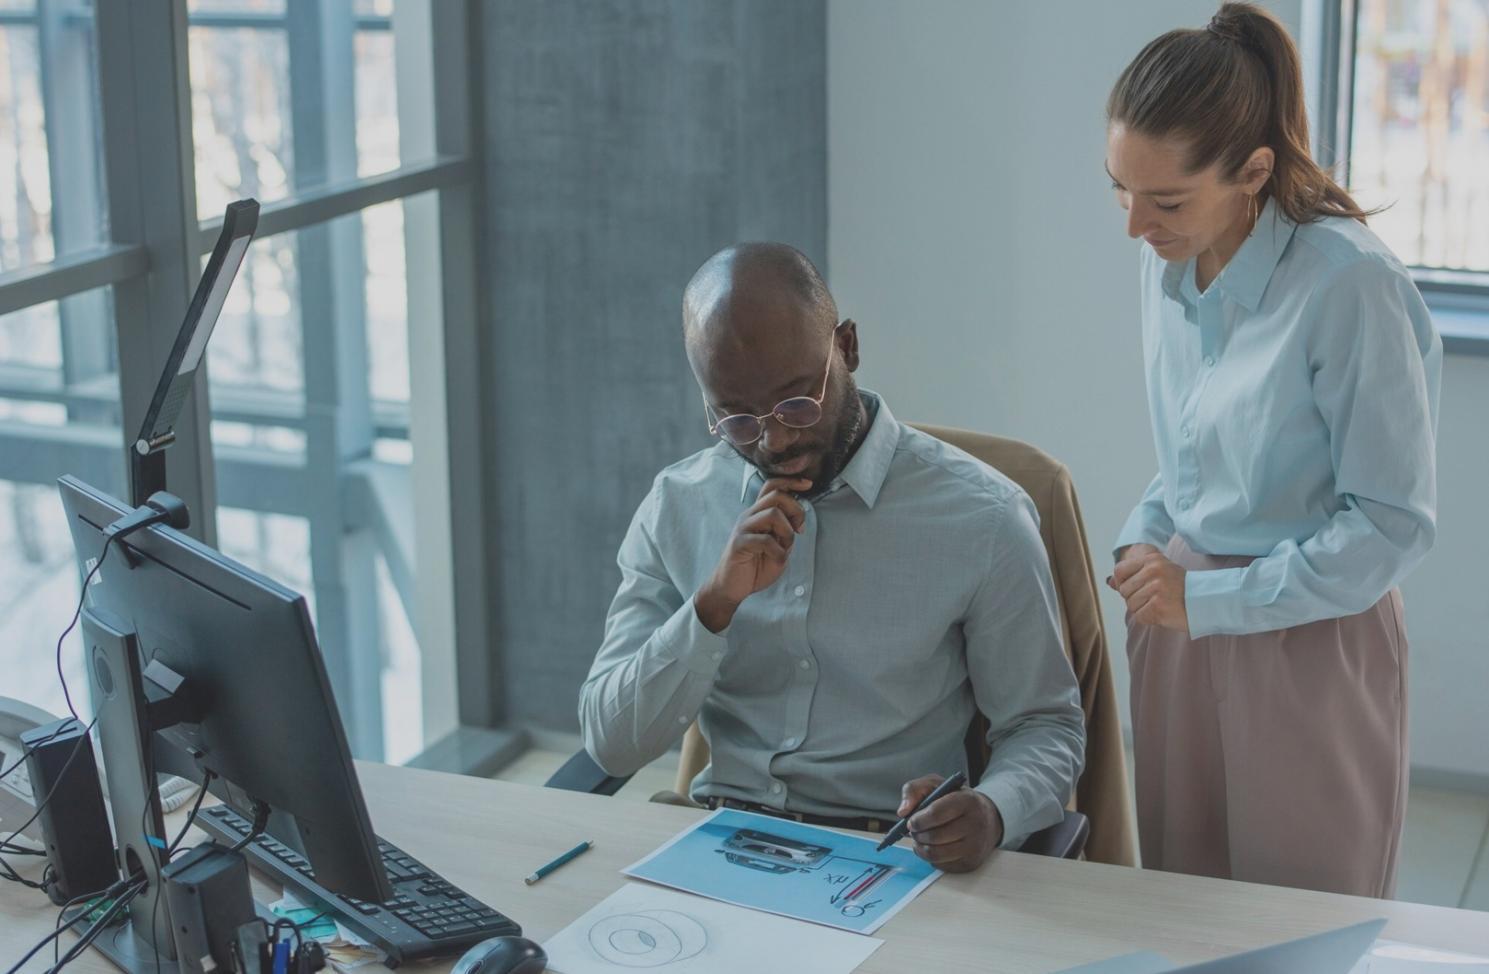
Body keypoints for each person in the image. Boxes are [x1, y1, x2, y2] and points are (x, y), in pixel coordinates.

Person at [579, 242, 1085, 872]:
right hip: (720, 844)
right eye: (737, 418)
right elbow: (610, 745)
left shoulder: (983, 517)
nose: (776, 440)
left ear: (846, 347)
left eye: (797, 403)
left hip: (888, 854)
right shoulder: (678, 505)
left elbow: (1046, 728)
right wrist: (711, 606)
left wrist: (993, 809)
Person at [1105, 3, 1440, 897]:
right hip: (1178, 624)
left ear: (1253, 169)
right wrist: (1145, 536)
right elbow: (1195, 453)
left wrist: (1210, 596)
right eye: (1119, 189)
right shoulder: (1166, 256)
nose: (1134, 225)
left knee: (1304, 928)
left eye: (1164, 199)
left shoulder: (1348, 284)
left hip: (1306, 639)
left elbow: (1389, 524)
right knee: (1185, 913)